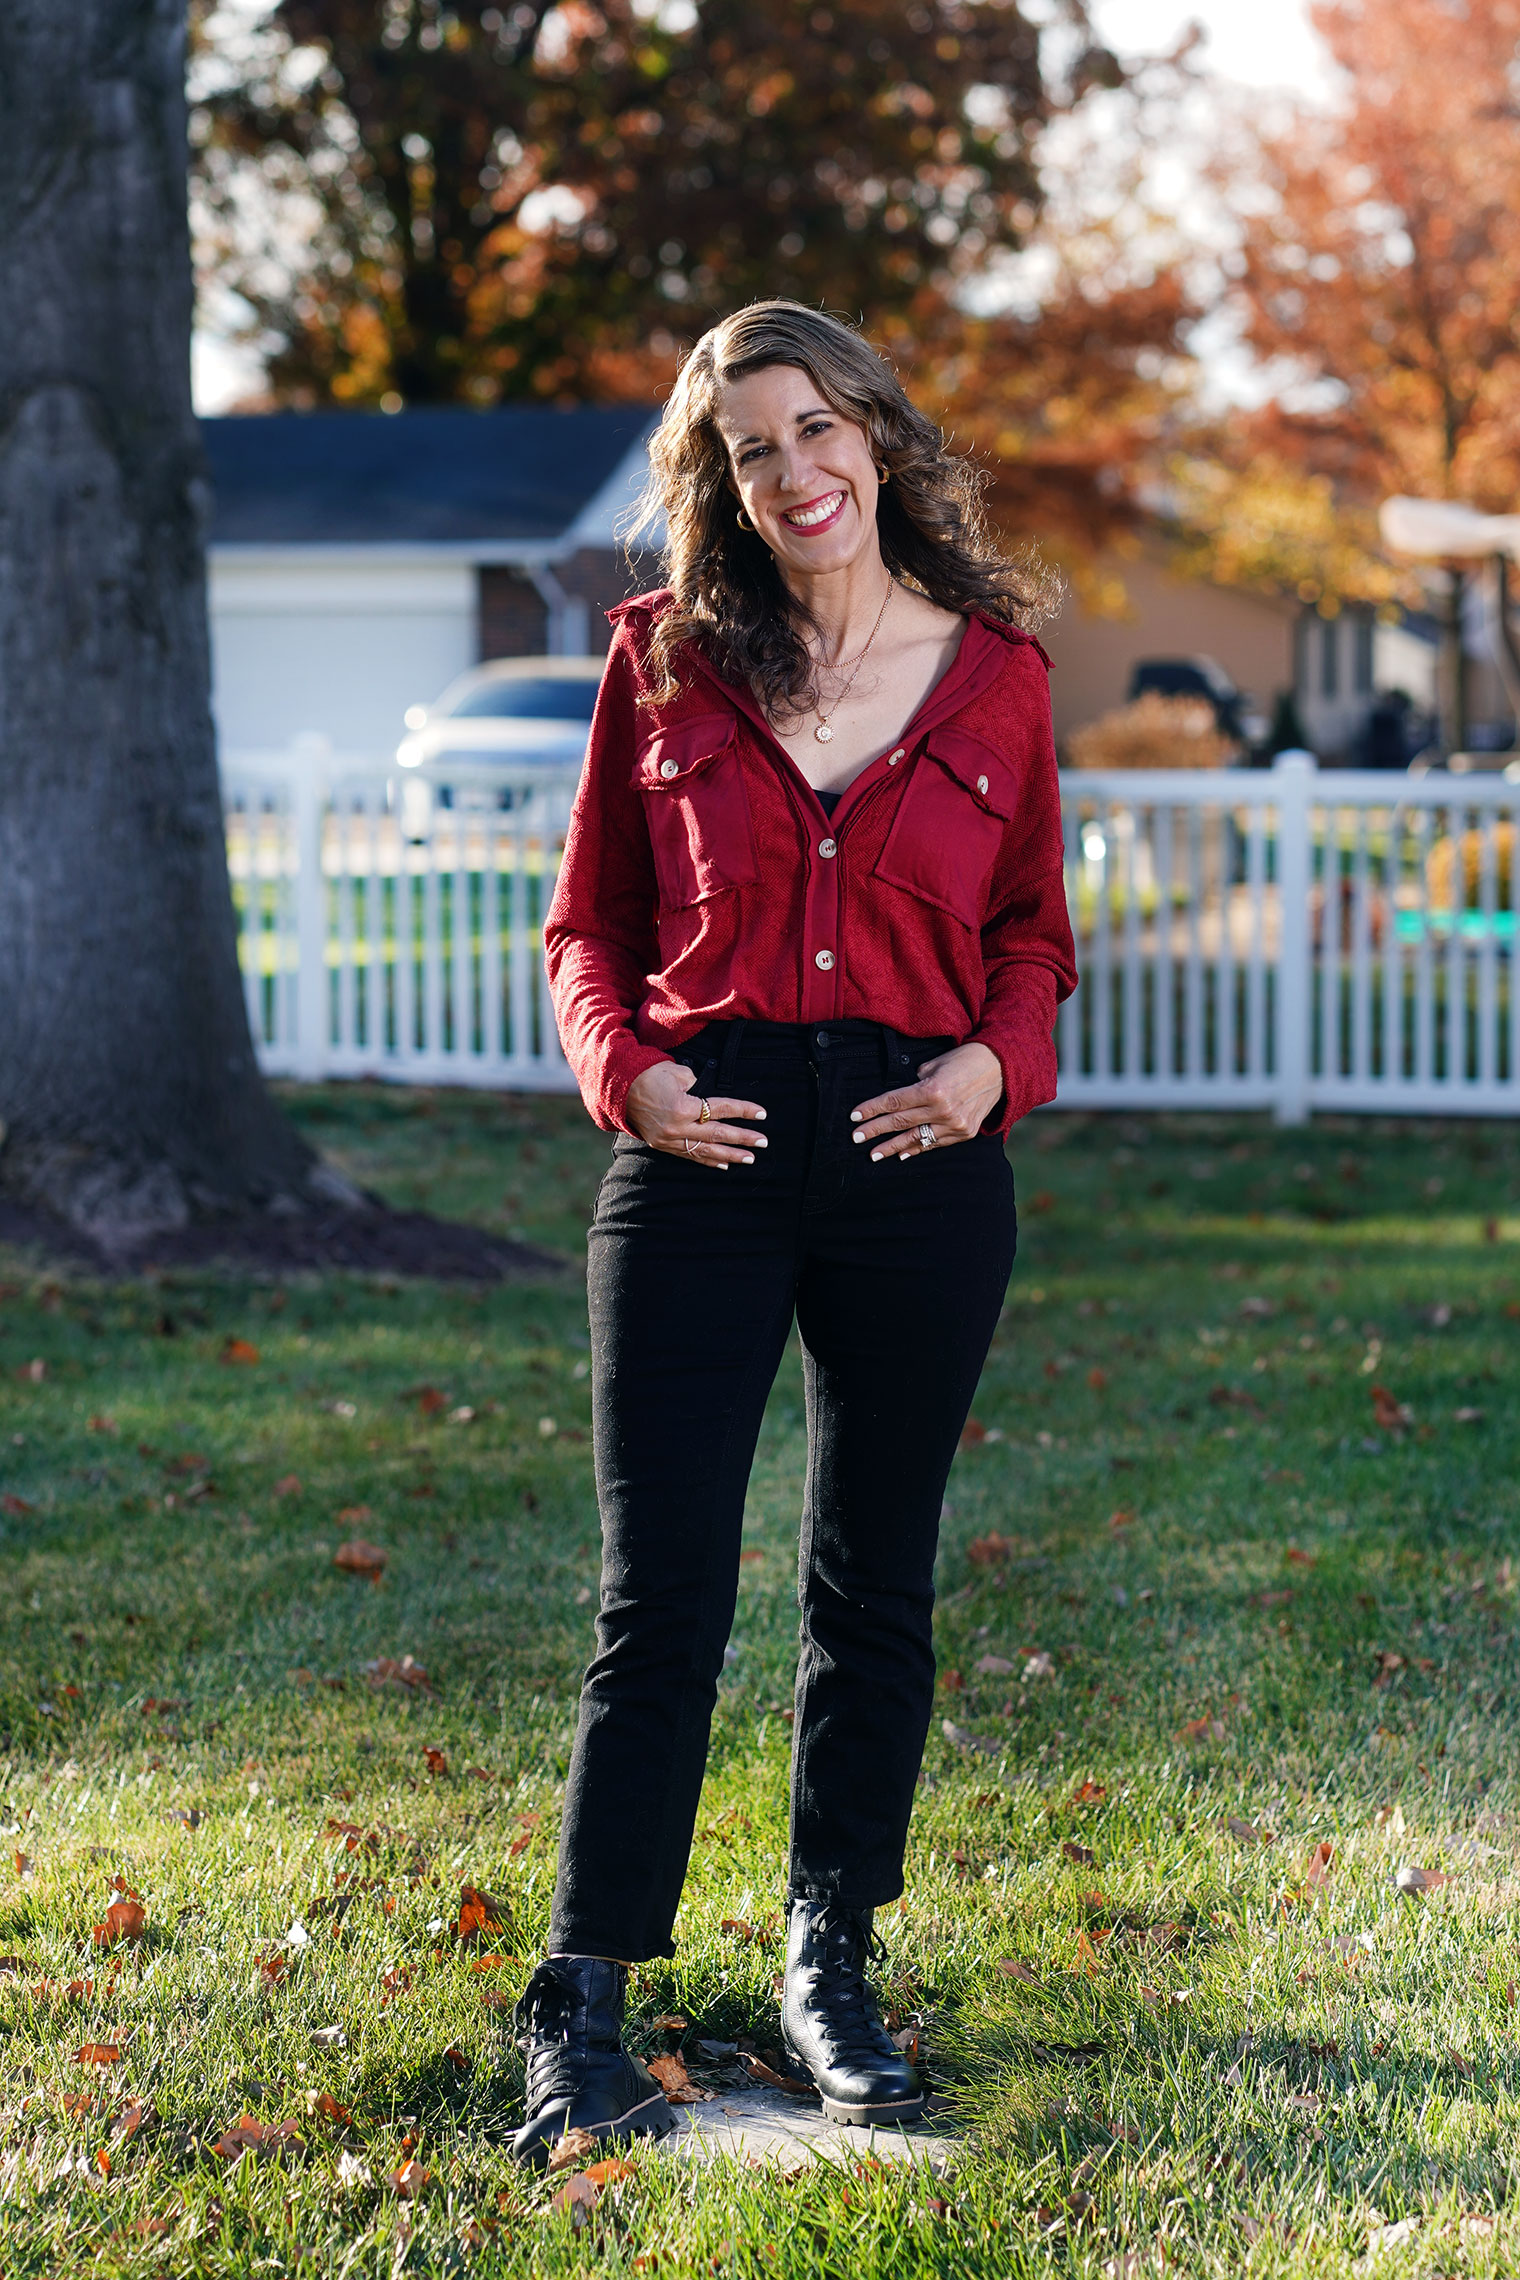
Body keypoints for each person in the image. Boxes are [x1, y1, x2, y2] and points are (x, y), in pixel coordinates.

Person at [512, 300, 1076, 2167]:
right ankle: (584, 1991)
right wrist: (629, 1080)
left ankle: (830, 1958)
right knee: (657, 1595)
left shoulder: (996, 673)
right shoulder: (664, 663)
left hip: (922, 1162)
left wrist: (997, 1072)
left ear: (883, 440)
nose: (795, 470)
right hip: (705, 1152)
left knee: (872, 1585)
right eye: (753, 447)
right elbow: (587, 924)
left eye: (819, 427)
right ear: (720, 481)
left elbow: (1033, 937)